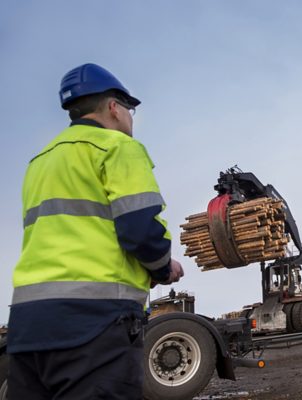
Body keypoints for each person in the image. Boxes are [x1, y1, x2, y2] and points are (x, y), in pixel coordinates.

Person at [6, 63, 184, 400]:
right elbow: (139, 228)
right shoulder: (117, 147)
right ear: (114, 108)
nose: (131, 119)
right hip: (95, 324)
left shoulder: (40, 161)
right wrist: (163, 268)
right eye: (130, 110)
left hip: (29, 327)